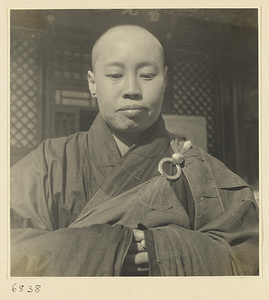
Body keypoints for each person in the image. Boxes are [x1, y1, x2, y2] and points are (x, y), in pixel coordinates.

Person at [10, 25, 259, 276]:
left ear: (165, 81)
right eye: (115, 75)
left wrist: (164, 251)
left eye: (147, 75)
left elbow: (250, 255)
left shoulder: (198, 168)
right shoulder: (49, 163)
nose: (132, 89)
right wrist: (109, 248)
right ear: (92, 83)